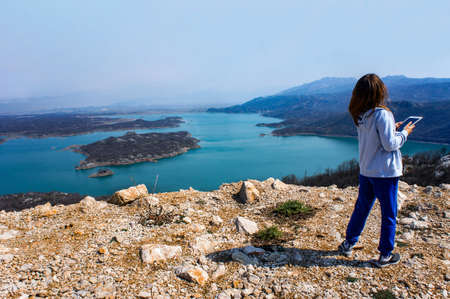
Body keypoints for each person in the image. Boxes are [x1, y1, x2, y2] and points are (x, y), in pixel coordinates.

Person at [338, 73, 415, 268]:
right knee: (389, 213)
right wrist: (405, 133)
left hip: (367, 172)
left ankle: (348, 243)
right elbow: (390, 145)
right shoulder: (382, 113)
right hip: (385, 174)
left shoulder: (361, 114)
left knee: (362, 208)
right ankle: (385, 255)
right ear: (379, 91)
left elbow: (377, 137)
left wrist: (393, 128)